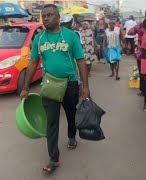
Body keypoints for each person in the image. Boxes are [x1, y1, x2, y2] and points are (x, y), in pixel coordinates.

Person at [19, 4, 90, 173]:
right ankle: (53, 158)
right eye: (44, 16)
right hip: (50, 86)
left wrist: (85, 86)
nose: (46, 18)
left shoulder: (71, 36)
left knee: (71, 113)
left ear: (58, 16)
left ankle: (72, 136)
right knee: (51, 122)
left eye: (50, 15)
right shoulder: (39, 38)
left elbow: (80, 61)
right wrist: (26, 87)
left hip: (70, 83)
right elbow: (33, 63)